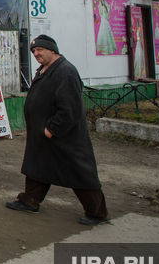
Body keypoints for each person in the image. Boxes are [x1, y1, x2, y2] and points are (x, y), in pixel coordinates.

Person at [6, 35, 109, 225]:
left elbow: (71, 109)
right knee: (38, 167)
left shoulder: (66, 72)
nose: (36, 54)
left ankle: (97, 213)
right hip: (43, 134)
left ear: (53, 50)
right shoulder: (46, 69)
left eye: (40, 50)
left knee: (80, 172)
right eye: (33, 51)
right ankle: (30, 201)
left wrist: (50, 129)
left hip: (63, 137)